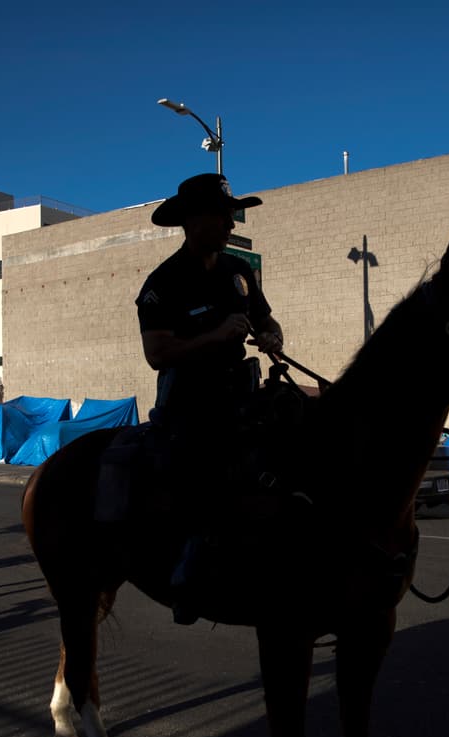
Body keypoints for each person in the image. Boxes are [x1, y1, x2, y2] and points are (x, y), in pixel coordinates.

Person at [136, 173, 284, 623]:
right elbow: (157, 353)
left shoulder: (238, 273)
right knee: (206, 465)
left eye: (230, 215)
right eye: (222, 215)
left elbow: (267, 321)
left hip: (241, 390)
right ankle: (188, 571)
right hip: (189, 401)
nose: (229, 223)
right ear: (193, 221)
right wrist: (216, 336)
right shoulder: (163, 283)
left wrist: (272, 336)